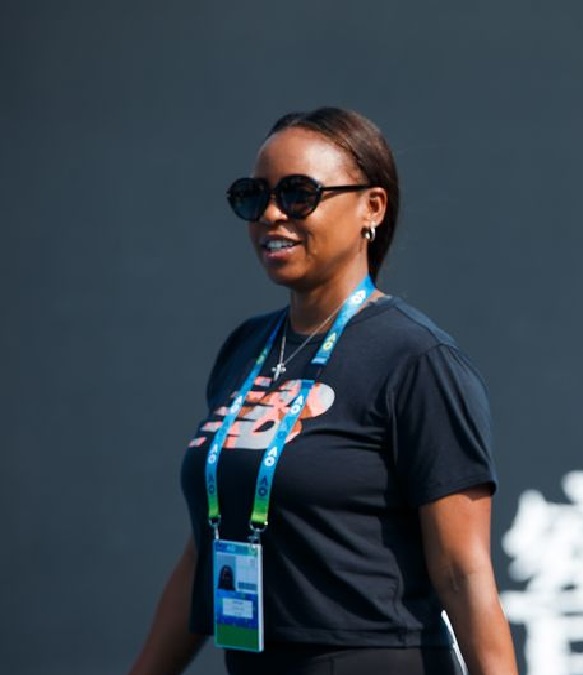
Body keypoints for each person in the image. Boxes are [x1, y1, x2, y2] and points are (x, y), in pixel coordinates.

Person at [129, 107, 518, 675]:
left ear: (372, 207)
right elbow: (206, 546)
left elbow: (463, 573)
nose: (270, 214)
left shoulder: (416, 360)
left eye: (297, 194)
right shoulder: (245, 347)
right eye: (252, 196)